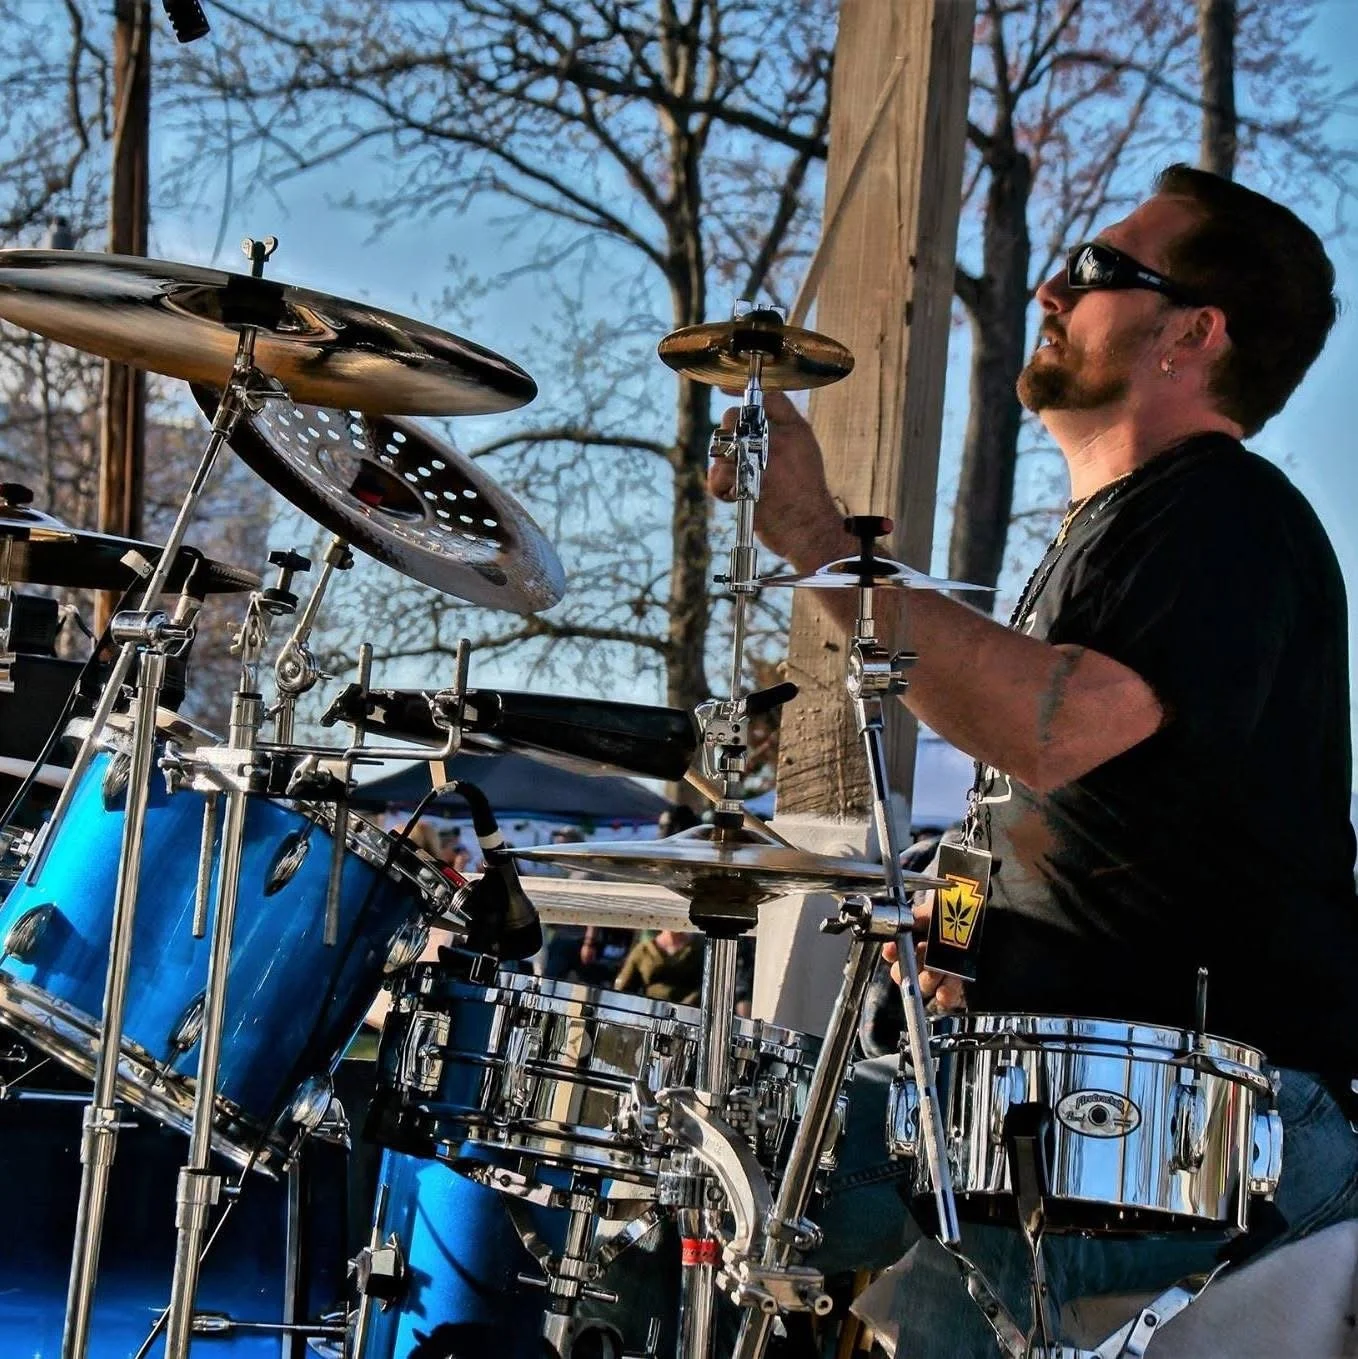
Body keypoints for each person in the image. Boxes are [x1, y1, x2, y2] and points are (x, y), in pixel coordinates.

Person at [709, 164, 1358, 1354]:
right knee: (733, 1178)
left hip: (1187, 1142)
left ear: (1192, 335)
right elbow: (1010, 825)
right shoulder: (1107, 539)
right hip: (1069, 1125)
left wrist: (812, 537)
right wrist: (950, 948)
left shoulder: (1223, 513)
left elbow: (1049, 725)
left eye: (1100, 269)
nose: (1051, 286)